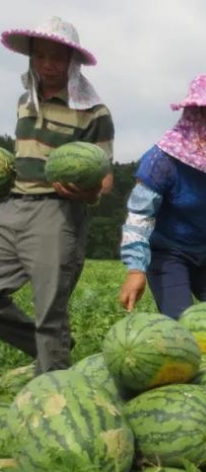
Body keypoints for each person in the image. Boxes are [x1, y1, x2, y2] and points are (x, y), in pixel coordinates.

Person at [0, 17, 114, 374]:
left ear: (72, 62)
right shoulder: (24, 102)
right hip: (12, 207)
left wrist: (87, 192)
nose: (47, 65)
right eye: (40, 57)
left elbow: (105, 177)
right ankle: (46, 347)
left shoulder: (94, 112)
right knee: (46, 329)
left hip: (58, 212)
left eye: (57, 58)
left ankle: (54, 388)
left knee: (49, 310)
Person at [118, 74, 206, 319]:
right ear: (197, 113)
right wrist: (135, 270)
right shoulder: (162, 161)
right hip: (168, 253)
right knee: (180, 323)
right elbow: (140, 217)